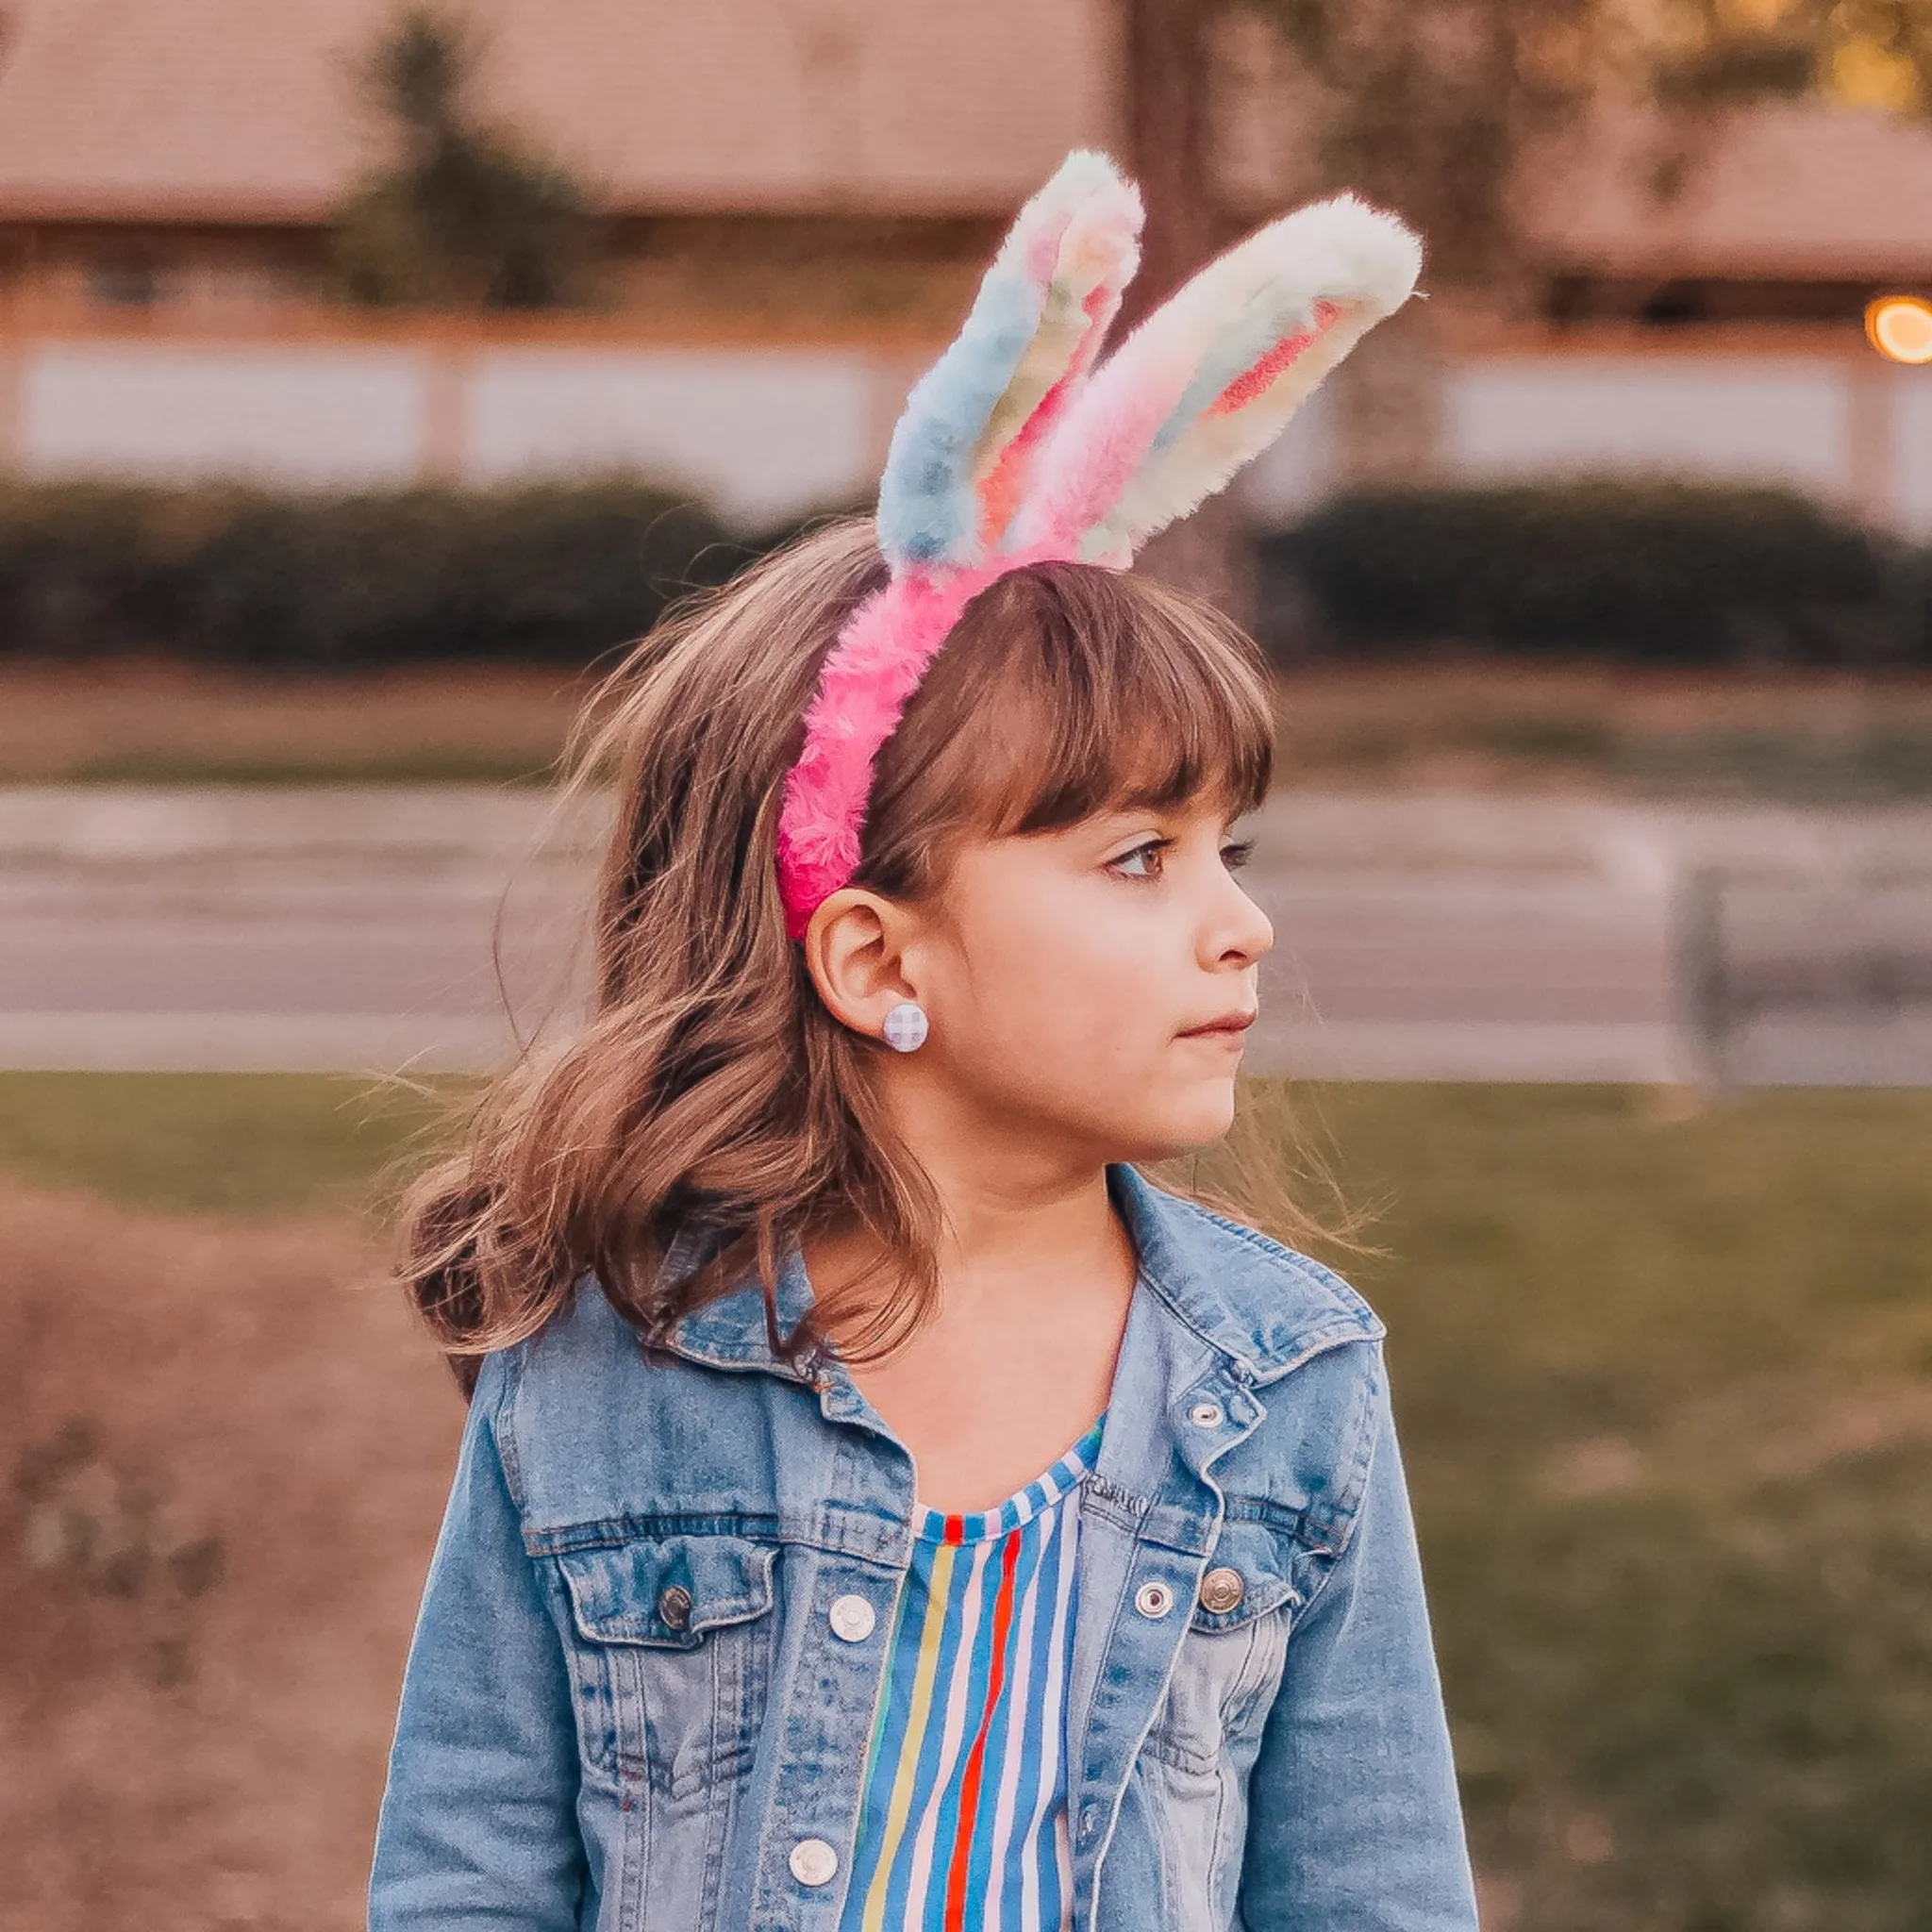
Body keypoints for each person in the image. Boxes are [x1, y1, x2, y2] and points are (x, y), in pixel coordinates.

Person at [366, 150, 1480, 1930]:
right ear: (881, 955)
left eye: (1228, 852)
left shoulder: (1289, 1389)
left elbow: (1375, 1887)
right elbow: (467, 1873)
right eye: (1136, 858)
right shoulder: (606, 1367)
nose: (1240, 923)